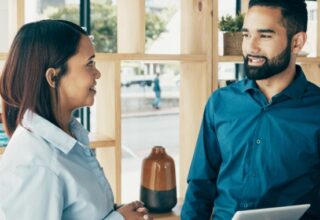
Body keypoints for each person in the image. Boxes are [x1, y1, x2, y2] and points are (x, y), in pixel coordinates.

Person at [181, 0, 320, 219]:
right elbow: (200, 185)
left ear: (297, 42)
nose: (250, 47)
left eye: (265, 36)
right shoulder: (220, 103)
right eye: (246, 35)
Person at [0, 20, 151, 220]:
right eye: (89, 63)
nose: (98, 73)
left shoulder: (70, 137)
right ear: (53, 77)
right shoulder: (35, 164)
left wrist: (113, 211)